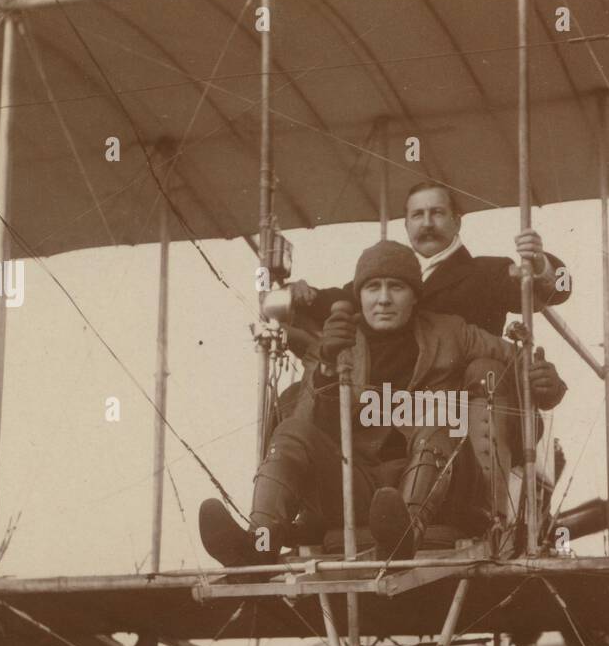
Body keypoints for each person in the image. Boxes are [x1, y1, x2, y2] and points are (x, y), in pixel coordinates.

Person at [200, 240, 566, 566]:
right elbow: (312, 426)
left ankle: (408, 531)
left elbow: (518, 362)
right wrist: (327, 365)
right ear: (360, 295)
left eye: (397, 287)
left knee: (440, 415)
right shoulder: (337, 339)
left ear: (415, 295)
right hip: (362, 486)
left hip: (442, 481)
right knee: (291, 432)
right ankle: (260, 541)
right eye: (373, 287)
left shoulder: (452, 331)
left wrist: (545, 381)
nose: (384, 298)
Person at [289, 181, 573, 337]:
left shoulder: (488, 272)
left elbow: (558, 290)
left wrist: (539, 266)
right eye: (417, 215)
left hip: (458, 403)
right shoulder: (390, 274)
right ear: (407, 225)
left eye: (436, 213)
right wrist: (305, 295)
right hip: (391, 402)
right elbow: (346, 297)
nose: (426, 223)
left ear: (457, 222)